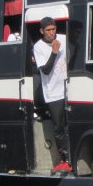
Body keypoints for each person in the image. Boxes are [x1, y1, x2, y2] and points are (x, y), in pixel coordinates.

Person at [33, 17, 72, 173]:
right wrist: (54, 52)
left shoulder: (63, 38)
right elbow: (46, 70)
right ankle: (64, 159)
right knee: (59, 127)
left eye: (53, 29)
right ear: (42, 31)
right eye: (48, 30)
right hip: (53, 93)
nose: (52, 33)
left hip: (68, 89)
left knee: (70, 123)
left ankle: (72, 157)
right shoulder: (38, 47)